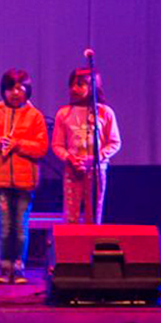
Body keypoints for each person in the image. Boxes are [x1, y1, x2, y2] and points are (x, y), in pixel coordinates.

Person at [0, 68, 48, 283]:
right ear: (4, 90)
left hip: (25, 181)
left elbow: (41, 147)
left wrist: (18, 144)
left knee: (20, 226)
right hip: (0, 180)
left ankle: (18, 265)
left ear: (27, 90)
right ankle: (4, 267)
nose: (15, 93)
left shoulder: (34, 116)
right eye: (11, 88)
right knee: (5, 224)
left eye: (20, 88)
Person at [52, 68, 121, 223]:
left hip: (96, 170)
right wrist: (70, 158)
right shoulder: (64, 113)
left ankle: (91, 245)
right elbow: (57, 145)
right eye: (73, 85)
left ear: (93, 87)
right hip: (72, 169)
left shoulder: (104, 112)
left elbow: (115, 142)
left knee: (94, 216)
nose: (74, 89)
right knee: (71, 216)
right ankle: (71, 246)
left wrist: (96, 158)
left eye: (80, 84)